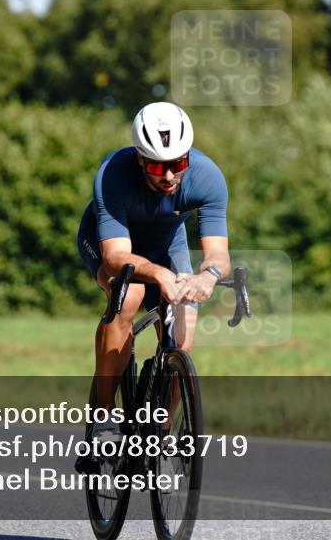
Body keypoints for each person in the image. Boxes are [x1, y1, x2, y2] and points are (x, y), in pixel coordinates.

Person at [77, 101, 230, 443]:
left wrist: (208, 276)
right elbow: (117, 257)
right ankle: (103, 417)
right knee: (127, 296)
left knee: (183, 334)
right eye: (160, 167)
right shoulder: (113, 174)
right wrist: (160, 277)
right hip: (110, 246)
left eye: (178, 163)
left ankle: (159, 430)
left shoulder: (207, 177)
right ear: (141, 159)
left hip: (166, 245)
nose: (171, 175)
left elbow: (217, 252)